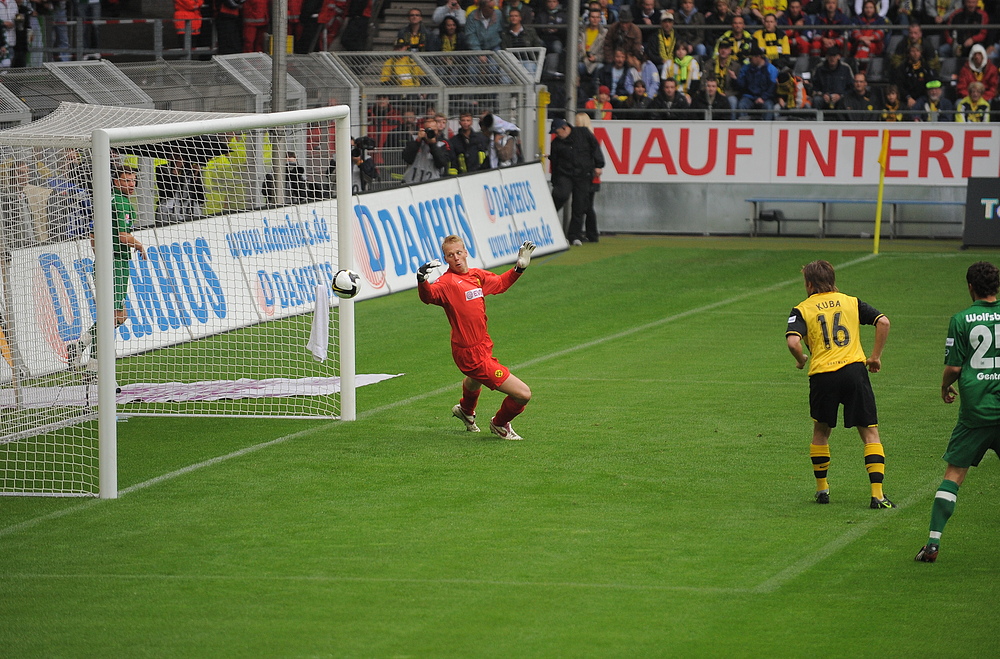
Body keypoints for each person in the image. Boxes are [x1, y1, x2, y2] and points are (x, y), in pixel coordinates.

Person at [785, 260, 895, 510]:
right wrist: (875, 357)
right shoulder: (851, 301)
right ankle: (877, 495)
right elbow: (884, 322)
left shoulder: (802, 308)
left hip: (823, 375)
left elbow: (793, 342)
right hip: (854, 370)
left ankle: (822, 489)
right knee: (869, 432)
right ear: (833, 279)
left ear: (809, 283)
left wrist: (801, 358)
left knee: (821, 432)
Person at [915, 261, 1000, 563]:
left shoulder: (961, 319)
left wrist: (943, 387)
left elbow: (953, 367)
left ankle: (933, 543)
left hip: (975, 412)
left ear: (970, 287)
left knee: (954, 474)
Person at [417, 235, 536, 440]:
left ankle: (465, 409)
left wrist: (518, 269)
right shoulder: (447, 283)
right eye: (450, 255)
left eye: (459, 252)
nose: (456, 258)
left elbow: (499, 283)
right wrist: (421, 280)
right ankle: (499, 424)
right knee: (523, 394)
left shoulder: (476, 276)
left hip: (482, 345)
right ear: (445, 259)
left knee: (474, 380)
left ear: (466, 252)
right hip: (469, 353)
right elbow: (429, 296)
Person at [68, 166, 147, 372]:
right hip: (116, 265)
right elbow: (123, 236)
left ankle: (80, 348)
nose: (131, 184)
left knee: (115, 316)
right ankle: (93, 367)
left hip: (106, 263)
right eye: (127, 180)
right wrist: (138, 245)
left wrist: (100, 258)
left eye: (133, 180)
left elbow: (93, 234)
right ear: (115, 182)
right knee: (114, 317)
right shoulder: (120, 204)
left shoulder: (107, 201)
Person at [548, 117, 604, 246]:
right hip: (564, 174)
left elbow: (595, 148)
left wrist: (598, 165)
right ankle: (548, 219)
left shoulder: (583, 133)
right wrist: (554, 181)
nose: (556, 135)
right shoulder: (556, 144)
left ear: (564, 128)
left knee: (580, 206)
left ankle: (574, 235)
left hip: (583, 175)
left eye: (557, 132)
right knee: (560, 194)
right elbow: (555, 164)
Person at [574, 112, 602, 243]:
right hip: (592, 175)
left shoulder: (585, 137)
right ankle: (592, 234)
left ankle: (586, 233)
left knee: (585, 205)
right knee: (588, 205)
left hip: (588, 175)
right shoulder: (591, 136)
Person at [736, 44, 778, 119]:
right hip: (749, 97)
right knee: (742, 105)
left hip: (766, 98)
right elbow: (741, 85)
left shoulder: (771, 69)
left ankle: (766, 129)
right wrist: (736, 79)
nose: (749, 60)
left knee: (768, 107)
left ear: (758, 57)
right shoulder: (746, 68)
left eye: (751, 58)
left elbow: (772, 87)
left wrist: (763, 98)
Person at [811, 46, 854, 112]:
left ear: (839, 57)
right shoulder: (819, 68)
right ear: (827, 57)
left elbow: (851, 87)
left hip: (841, 98)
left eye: (834, 56)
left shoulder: (846, 68)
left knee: (846, 101)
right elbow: (814, 87)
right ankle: (817, 121)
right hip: (824, 97)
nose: (832, 58)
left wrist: (840, 95)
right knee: (816, 100)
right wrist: (823, 95)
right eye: (830, 56)